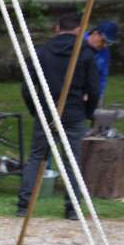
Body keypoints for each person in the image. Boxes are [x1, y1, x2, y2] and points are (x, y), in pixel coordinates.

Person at [16, 12, 99, 221]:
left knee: (36, 158)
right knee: (72, 162)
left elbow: (27, 89)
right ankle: (72, 209)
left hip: (47, 113)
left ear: (56, 28)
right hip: (73, 114)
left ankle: (24, 206)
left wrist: (37, 110)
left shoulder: (41, 52)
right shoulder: (85, 53)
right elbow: (94, 90)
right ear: (79, 30)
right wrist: (87, 113)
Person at [85, 21, 118, 106]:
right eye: (104, 41)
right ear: (95, 33)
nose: (105, 45)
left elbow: (103, 76)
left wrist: (99, 94)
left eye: (108, 43)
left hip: (92, 92)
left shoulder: (105, 52)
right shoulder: (77, 42)